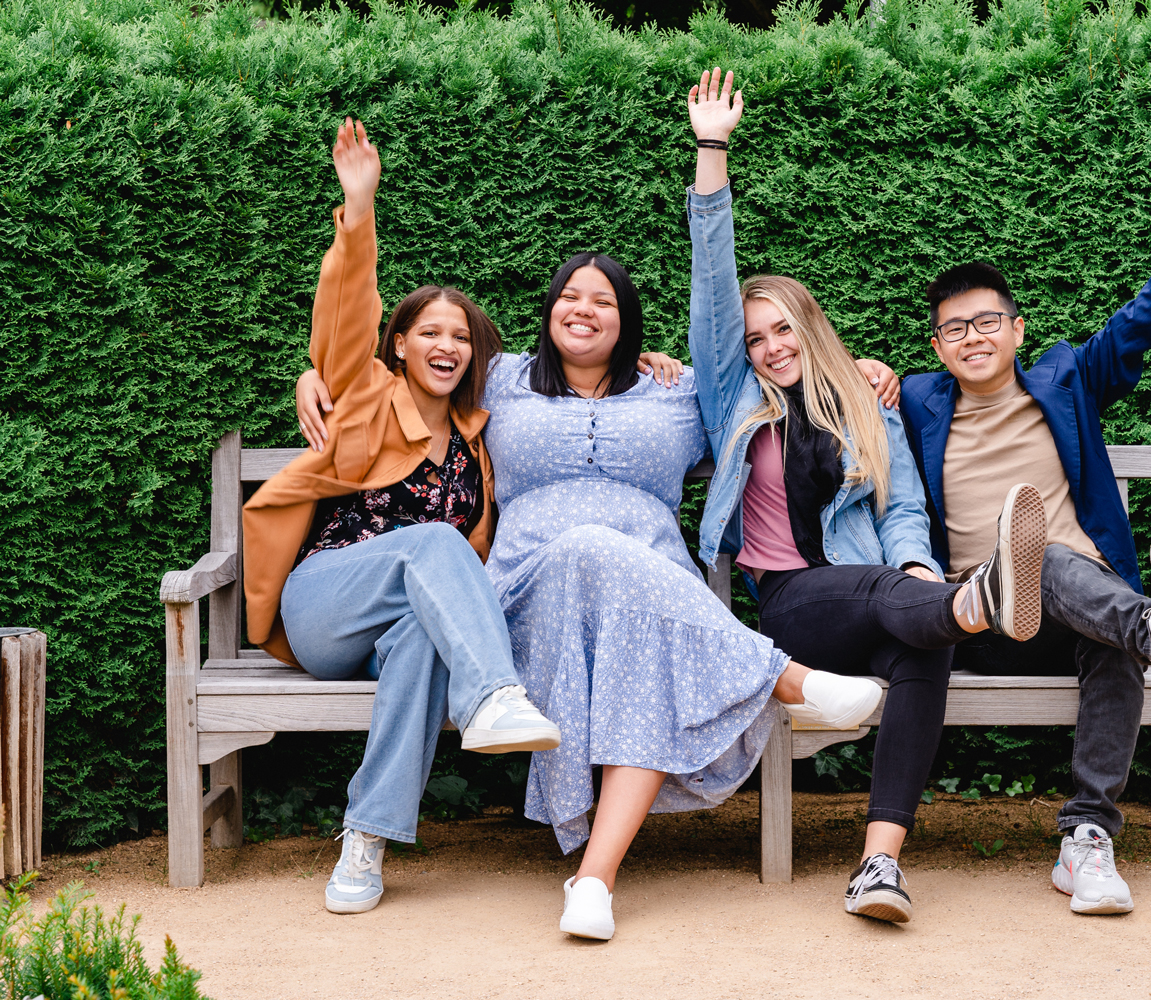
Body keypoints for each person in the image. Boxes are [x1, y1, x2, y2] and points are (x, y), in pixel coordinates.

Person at [294, 170, 886, 948]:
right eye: (571, 296)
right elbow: (395, 365)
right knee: (583, 545)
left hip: (653, 605)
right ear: (547, 314)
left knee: (636, 627)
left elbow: (745, 337)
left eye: (604, 300)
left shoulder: (679, 393)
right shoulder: (499, 382)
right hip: (518, 607)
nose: (585, 307)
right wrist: (318, 375)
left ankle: (594, 882)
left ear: (627, 322)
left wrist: (869, 374)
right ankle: (784, 678)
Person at [685, 68, 1053, 925]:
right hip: (790, 606)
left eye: (783, 329)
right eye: (754, 338)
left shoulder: (864, 400)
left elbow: (900, 512)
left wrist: (922, 568)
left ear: (808, 328)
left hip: (888, 600)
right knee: (915, 608)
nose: (770, 348)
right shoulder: (732, 396)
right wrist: (713, 151)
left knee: (922, 645)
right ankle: (977, 598)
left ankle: (878, 867)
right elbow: (712, 279)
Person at [900, 115, 1151, 916]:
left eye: (988, 321)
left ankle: (1088, 844)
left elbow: (1147, 318)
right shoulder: (914, 400)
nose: (973, 336)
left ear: (1018, 330)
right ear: (936, 346)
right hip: (978, 617)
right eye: (955, 328)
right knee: (1042, 562)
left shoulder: (1068, 378)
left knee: (1101, 623)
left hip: (1075, 616)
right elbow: (818, 381)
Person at [244, 118, 564, 917]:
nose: (447, 344)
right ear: (401, 343)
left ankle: (367, 840)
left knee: (423, 637)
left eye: (461, 336)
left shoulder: (478, 437)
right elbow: (345, 318)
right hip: (321, 608)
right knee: (427, 540)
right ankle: (492, 693)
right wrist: (360, 207)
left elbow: (580, 354)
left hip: (396, 630)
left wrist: (656, 367)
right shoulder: (365, 394)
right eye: (430, 332)